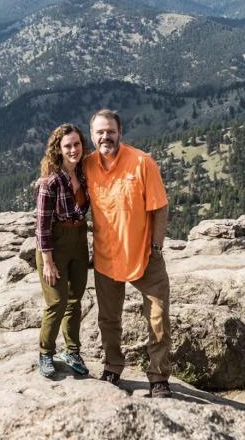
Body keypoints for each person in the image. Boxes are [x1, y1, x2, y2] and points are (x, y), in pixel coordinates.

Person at [83, 109, 172, 399]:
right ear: (92, 135)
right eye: (100, 132)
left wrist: (156, 247)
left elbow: (160, 208)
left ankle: (159, 377)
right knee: (108, 319)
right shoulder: (87, 166)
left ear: (120, 132)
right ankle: (113, 366)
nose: (105, 137)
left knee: (157, 318)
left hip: (145, 255)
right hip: (106, 257)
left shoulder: (142, 162)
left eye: (110, 131)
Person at [34, 123, 92, 379]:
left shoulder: (84, 173)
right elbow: (42, 225)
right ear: (58, 149)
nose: (73, 150)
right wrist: (47, 261)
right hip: (55, 244)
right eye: (67, 145)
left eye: (77, 144)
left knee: (75, 298)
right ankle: (45, 353)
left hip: (79, 239)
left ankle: (72, 350)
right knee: (56, 301)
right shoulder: (51, 182)